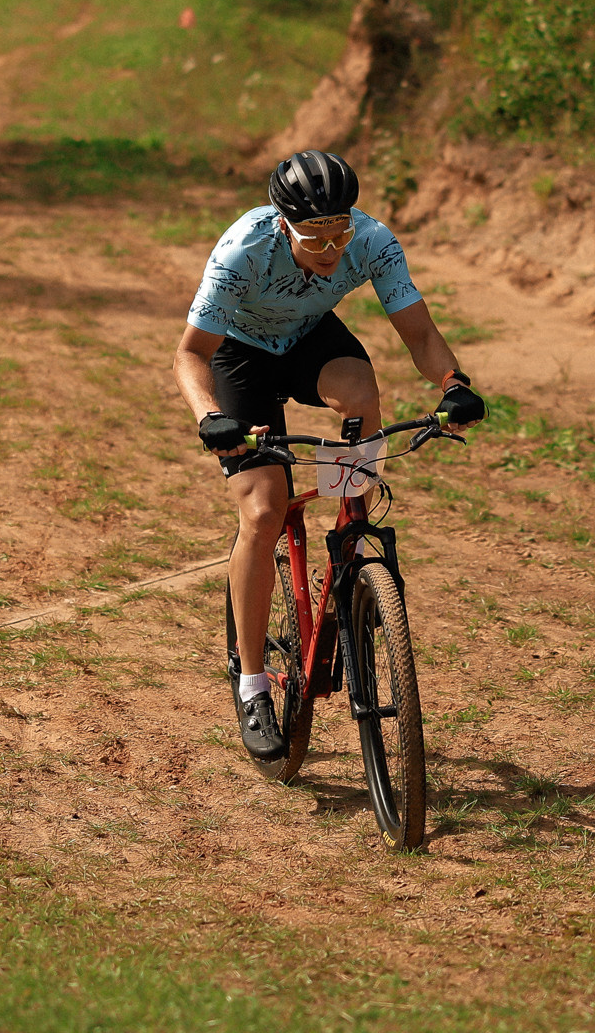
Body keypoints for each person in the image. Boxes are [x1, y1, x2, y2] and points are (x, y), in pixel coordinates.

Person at [173, 149, 486, 761]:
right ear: (281, 222)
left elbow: (418, 333)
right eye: (314, 234)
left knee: (361, 392)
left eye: (339, 230)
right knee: (264, 512)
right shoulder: (242, 250)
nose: (331, 247)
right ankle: (253, 685)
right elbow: (190, 355)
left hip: (310, 339)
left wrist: (453, 382)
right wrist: (211, 417)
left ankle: (351, 542)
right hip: (240, 354)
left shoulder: (371, 240)